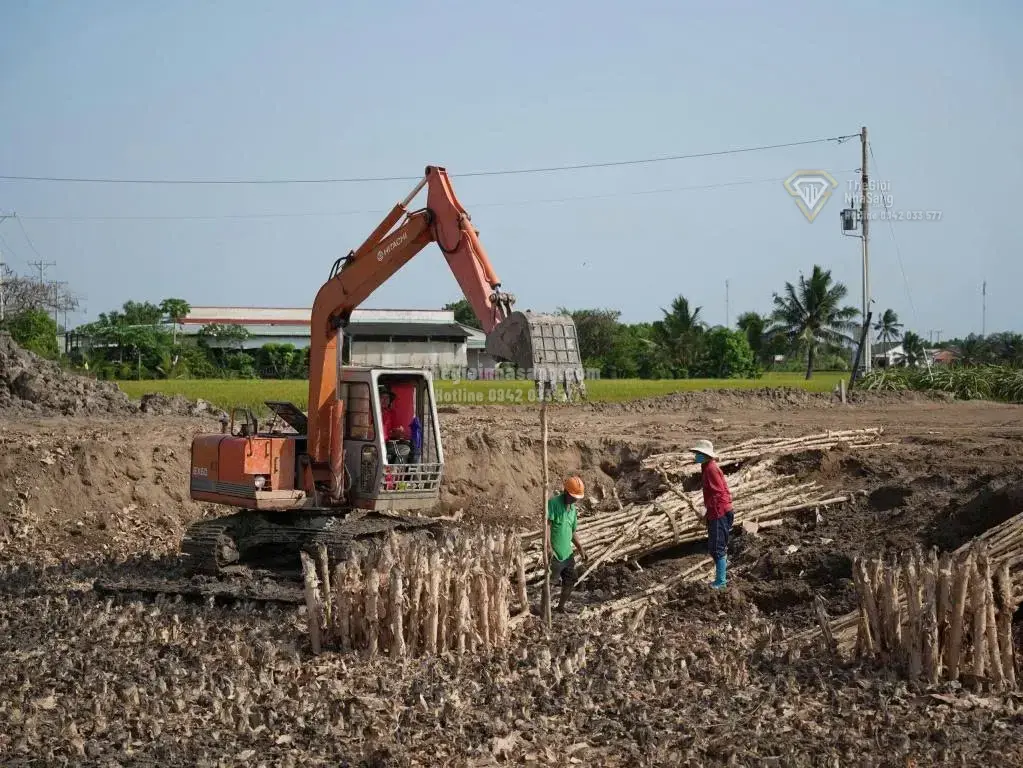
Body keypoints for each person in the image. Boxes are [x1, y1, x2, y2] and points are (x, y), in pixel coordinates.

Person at [692, 438, 733, 589]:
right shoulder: (706, 467)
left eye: (698, 453)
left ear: (705, 455)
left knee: (717, 548)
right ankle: (720, 578)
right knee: (716, 546)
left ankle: (721, 582)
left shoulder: (711, 469)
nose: (696, 456)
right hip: (718, 511)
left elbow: (719, 493)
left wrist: (709, 511)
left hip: (719, 512)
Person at [545, 476, 588, 613]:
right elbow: (547, 526)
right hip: (555, 553)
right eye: (573, 497)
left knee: (570, 580)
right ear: (565, 491)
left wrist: (580, 548)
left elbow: (572, 531)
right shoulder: (553, 503)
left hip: (567, 553)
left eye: (576, 498)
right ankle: (543, 609)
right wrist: (548, 547)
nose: (575, 500)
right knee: (550, 583)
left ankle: (560, 607)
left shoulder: (573, 509)